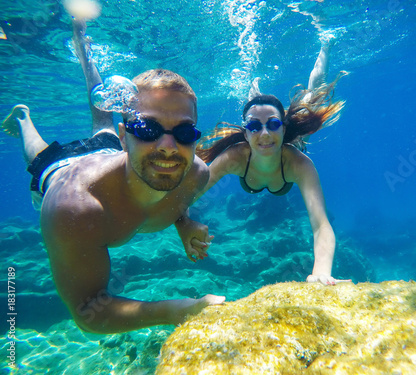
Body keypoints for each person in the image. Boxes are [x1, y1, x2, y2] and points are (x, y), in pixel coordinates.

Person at [0, 19, 224, 334]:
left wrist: (184, 224)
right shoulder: (74, 209)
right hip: (63, 171)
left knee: (103, 114)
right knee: (39, 157)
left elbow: (172, 194)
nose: (169, 147)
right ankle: (24, 119)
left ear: (196, 138)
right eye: (148, 128)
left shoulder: (194, 175)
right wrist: (178, 310)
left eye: (184, 132)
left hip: (110, 157)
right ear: (126, 137)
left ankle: (85, 53)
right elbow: (88, 311)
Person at [191, 36, 350, 286]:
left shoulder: (300, 164)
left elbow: (321, 225)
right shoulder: (234, 158)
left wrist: (322, 271)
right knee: (256, 104)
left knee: (311, 97)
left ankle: (325, 44)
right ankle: (254, 94)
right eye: (254, 127)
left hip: (294, 145)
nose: (264, 134)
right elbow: (187, 197)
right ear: (244, 134)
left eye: (274, 125)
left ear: (284, 129)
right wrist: (184, 223)